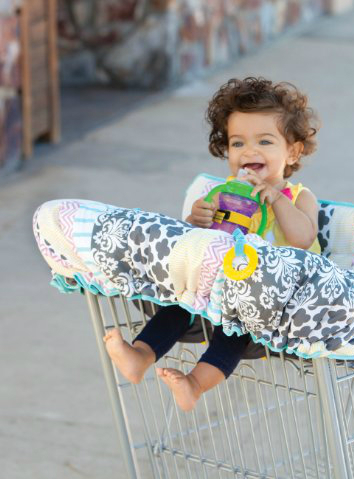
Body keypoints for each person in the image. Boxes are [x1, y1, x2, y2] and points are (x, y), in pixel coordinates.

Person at [104, 77, 321, 412]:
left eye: (264, 141)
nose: (249, 151)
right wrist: (198, 218)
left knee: (237, 329)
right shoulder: (226, 193)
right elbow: (202, 242)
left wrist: (277, 199)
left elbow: (303, 238)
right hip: (223, 285)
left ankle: (195, 383)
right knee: (179, 304)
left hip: (271, 297)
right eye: (237, 143)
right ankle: (140, 355)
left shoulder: (298, 197)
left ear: (292, 151)